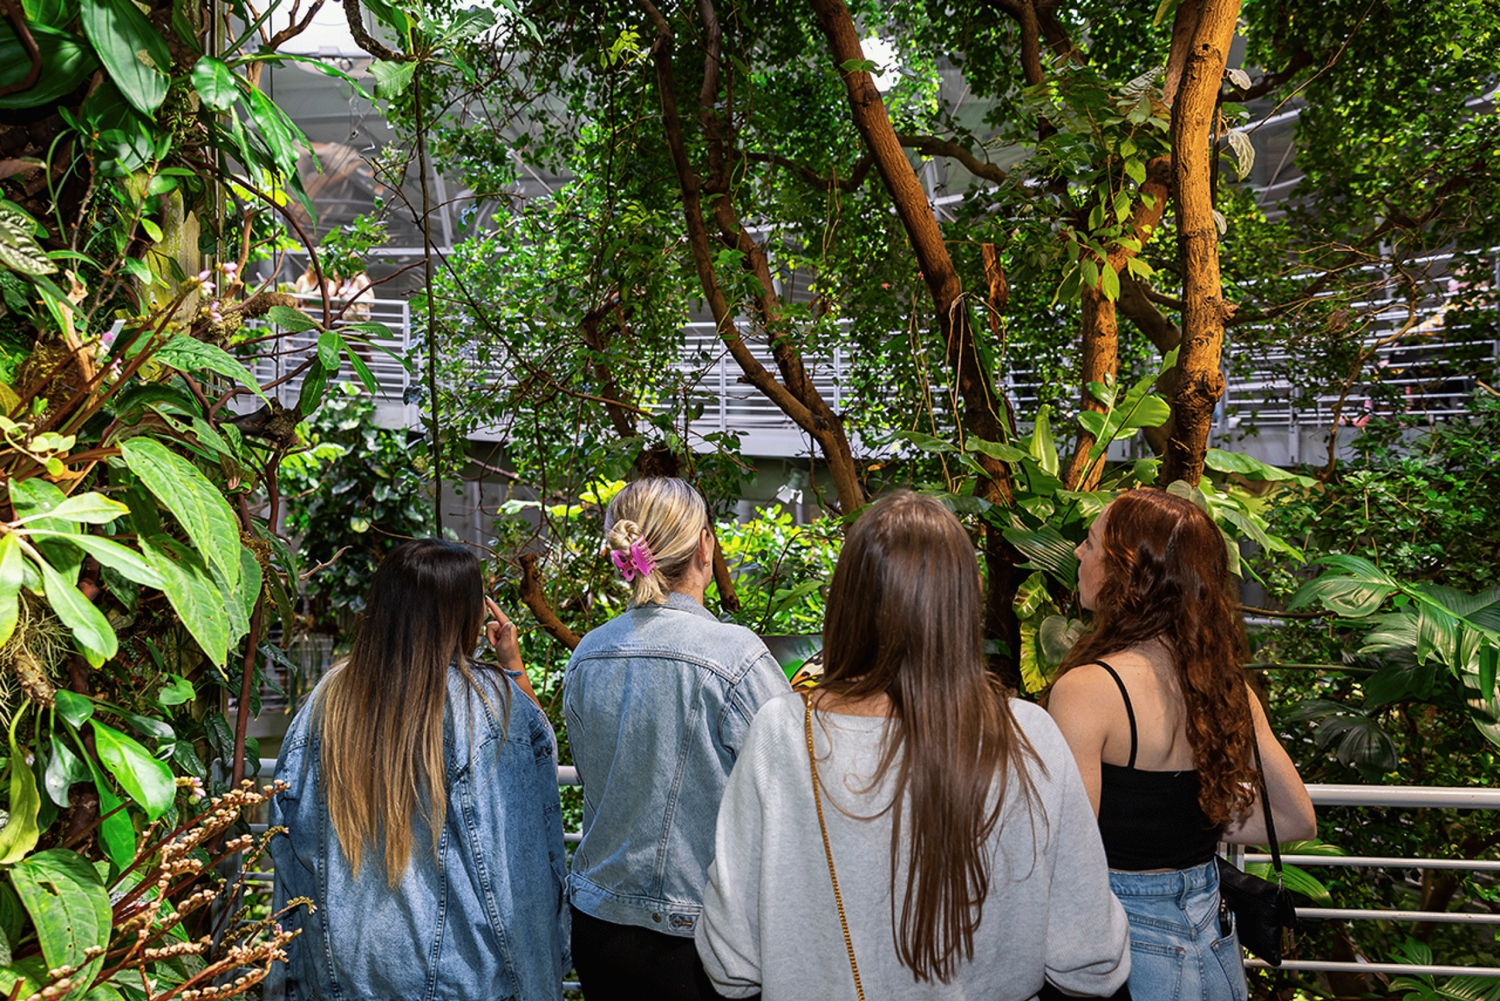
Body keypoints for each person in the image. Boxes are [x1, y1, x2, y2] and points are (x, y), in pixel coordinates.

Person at [695, 491, 1131, 1000]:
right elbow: (1090, 961)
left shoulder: (782, 734)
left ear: (847, 601)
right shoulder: (1028, 737)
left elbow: (730, 961)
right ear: (963, 605)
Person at [267, 538, 567, 1001]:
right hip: (468, 982)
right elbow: (524, 867)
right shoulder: (491, 706)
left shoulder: (329, 700)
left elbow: (288, 843)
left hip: (342, 979)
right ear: (468, 612)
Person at [1047, 487, 1318, 1001]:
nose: (1079, 554)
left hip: (1125, 949)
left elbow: (1071, 855)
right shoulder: (1222, 686)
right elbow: (1296, 818)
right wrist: (1197, 812)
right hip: (1214, 944)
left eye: (1090, 543)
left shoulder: (1088, 691)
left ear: (1128, 574)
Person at [564, 477, 791, 1000]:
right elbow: (792, 790)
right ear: (704, 546)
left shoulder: (590, 654)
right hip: (700, 942)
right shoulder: (736, 656)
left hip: (599, 928)